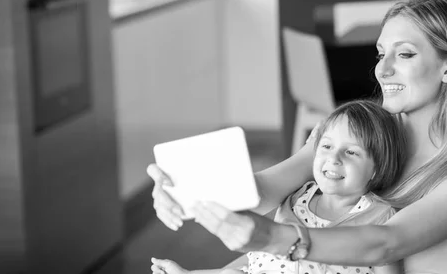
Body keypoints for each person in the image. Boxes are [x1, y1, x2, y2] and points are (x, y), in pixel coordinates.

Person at [148, 0, 447, 273]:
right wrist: (184, 187)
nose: (383, 68)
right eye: (381, 53)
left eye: (404, 54)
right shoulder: (347, 134)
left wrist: (274, 238)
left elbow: (385, 244)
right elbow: (264, 189)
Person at [151, 99, 406, 274]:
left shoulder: (380, 218)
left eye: (351, 152)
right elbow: (248, 270)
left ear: (377, 168)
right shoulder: (295, 199)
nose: (333, 158)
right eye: (326, 146)